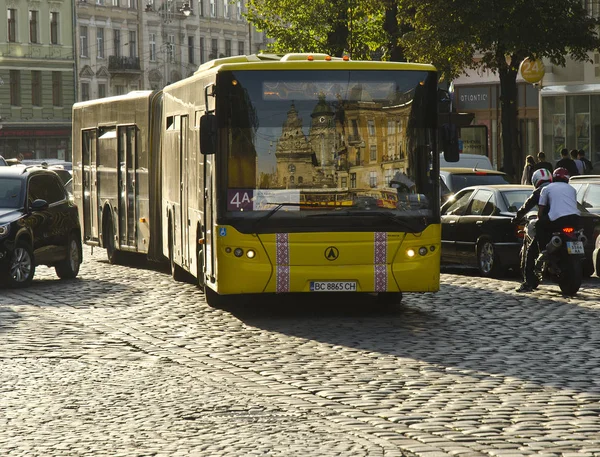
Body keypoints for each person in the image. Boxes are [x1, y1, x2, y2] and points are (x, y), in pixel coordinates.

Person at [513, 168, 553, 292]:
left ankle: (528, 283)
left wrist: (516, 218)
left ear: (535, 181)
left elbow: (526, 206)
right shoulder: (557, 188)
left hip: (547, 225)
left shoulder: (539, 191)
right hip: (566, 222)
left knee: (531, 252)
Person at [536, 167, 581, 261]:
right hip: (575, 219)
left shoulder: (546, 188)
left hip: (557, 219)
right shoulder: (572, 189)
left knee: (538, 225)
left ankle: (543, 251)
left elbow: (540, 211)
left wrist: (541, 218)